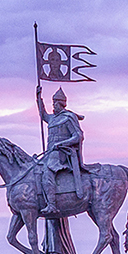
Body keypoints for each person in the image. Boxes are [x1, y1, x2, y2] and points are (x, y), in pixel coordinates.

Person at [36, 85, 87, 215]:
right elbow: (43, 114)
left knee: (48, 171)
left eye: (55, 103)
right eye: (52, 103)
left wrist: (61, 143)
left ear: (61, 104)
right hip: (50, 152)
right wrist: (38, 98)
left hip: (62, 153)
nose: (53, 106)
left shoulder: (68, 117)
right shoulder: (53, 118)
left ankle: (52, 205)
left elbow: (78, 136)